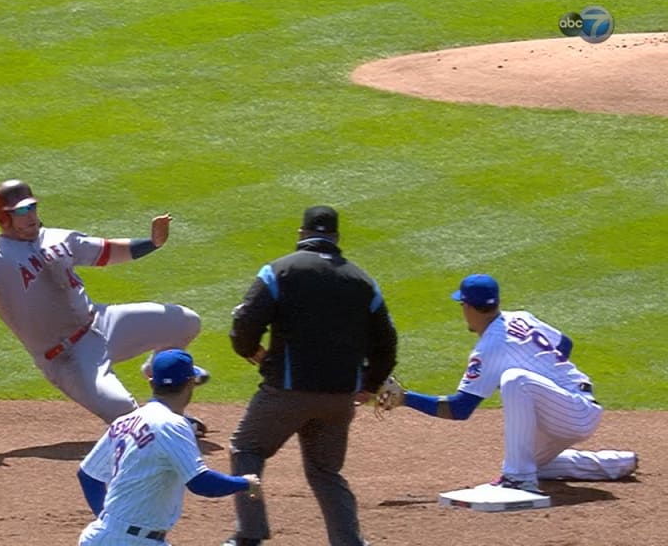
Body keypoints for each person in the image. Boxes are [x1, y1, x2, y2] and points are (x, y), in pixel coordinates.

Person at [0, 179, 209, 433]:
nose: (30, 215)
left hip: (101, 323)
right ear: (3, 218)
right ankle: (166, 422)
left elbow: (107, 252)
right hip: (66, 356)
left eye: (32, 207)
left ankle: (156, 370)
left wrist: (153, 242)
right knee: (122, 408)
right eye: (21, 211)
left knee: (185, 321)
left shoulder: (57, 238)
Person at [223, 205, 398, 546]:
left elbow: (244, 325)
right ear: (335, 238)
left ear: (302, 235)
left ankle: (250, 533)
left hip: (286, 391)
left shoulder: (279, 271)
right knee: (325, 472)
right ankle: (349, 542)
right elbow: (387, 341)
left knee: (247, 449)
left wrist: (254, 354)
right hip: (339, 398)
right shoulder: (362, 281)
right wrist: (370, 383)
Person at [378, 273, 637, 493]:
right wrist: (543, 379)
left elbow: (460, 409)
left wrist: (406, 398)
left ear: (468, 307)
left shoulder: (490, 347)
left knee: (515, 380)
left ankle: (518, 481)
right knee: (526, 459)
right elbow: (564, 344)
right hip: (571, 404)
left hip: (574, 411)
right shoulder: (521, 317)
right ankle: (614, 463)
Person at [76, 348, 261, 546]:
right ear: (190, 383)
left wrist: (109, 523)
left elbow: (88, 475)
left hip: (100, 536)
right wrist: (245, 482)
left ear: (152, 382)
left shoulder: (125, 421)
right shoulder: (173, 424)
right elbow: (201, 482)